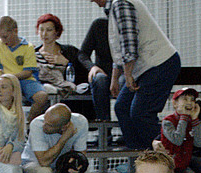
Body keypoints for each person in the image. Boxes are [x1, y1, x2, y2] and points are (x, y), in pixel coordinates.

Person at [94, 0, 180, 150]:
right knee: (122, 107)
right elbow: (119, 48)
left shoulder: (121, 3)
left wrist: (127, 75)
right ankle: (139, 157)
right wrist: (115, 78)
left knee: (141, 114)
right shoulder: (116, 5)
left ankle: (168, 157)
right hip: (147, 67)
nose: (92, 1)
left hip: (159, 63)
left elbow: (129, 44)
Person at [22, 102, 97, 173]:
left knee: (83, 172)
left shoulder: (81, 122)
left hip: (61, 165)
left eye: (49, 125)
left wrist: (76, 166)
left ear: (64, 127)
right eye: (45, 121)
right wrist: (64, 138)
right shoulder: (37, 124)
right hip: (33, 164)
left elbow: (80, 156)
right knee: (44, 172)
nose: (44, 126)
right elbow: (43, 161)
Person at [158, 87, 201, 173]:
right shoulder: (168, 121)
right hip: (168, 166)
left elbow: (200, 143)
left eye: (192, 100)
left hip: (182, 165)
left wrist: (195, 119)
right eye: (184, 99)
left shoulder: (192, 121)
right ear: (174, 103)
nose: (189, 102)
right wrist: (184, 117)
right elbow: (177, 140)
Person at [0, 15, 45, 109]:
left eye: (5, 37)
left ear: (15, 31)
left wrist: (10, 77)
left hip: (25, 80)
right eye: (1, 37)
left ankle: (28, 122)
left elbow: (27, 72)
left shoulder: (28, 47)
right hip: (5, 82)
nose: (3, 40)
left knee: (42, 97)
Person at [34, 14, 87, 111]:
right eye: (41, 29)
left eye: (49, 30)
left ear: (57, 32)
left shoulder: (70, 51)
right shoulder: (32, 54)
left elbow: (84, 76)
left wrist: (67, 63)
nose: (44, 34)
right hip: (43, 101)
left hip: (70, 102)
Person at [78, 10, 113, 122]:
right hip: (103, 72)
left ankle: (126, 131)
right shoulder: (99, 25)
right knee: (99, 79)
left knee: (124, 83)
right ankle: (104, 129)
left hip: (123, 73)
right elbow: (83, 54)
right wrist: (92, 67)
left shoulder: (127, 29)